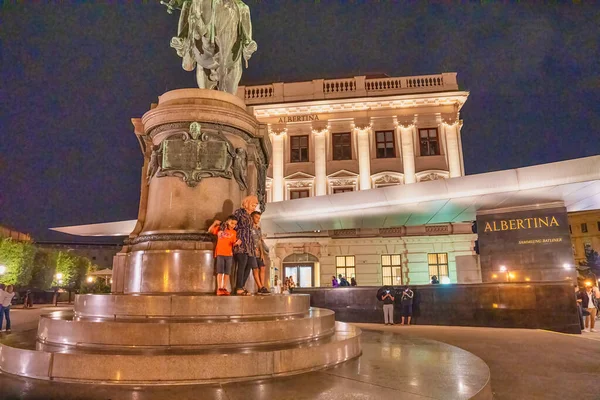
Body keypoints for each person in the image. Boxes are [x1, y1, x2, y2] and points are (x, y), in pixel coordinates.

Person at [208, 215, 242, 296]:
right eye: (232, 223)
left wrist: (236, 243)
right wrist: (214, 223)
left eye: (235, 224)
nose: (233, 225)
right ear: (227, 222)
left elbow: (233, 243)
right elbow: (210, 230)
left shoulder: (234, 232)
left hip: (229, 254)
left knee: (227, 272)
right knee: (220, 272)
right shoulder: (221, 229)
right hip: (220, 253)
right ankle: (219, 288)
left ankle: (224, 287)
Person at [233, 196, 259, 296]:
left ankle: (242, 285)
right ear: (247, 203)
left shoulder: (250, 215)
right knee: (242, 265)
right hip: (241, 242)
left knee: (249, 265)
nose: (254, 207)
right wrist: (235, 238)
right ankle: (239, 287)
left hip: (249, 243)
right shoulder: (239, 212)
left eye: (255, 206)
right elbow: (234, 224)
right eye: (253, 205)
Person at [250, 211, 269, 294]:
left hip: (258, 252)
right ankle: (259, 286)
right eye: (256, 217)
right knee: (255, 269)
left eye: (259, 218)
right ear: (252, 217)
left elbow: (260, 242)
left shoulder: (258, 229)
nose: (258, 219)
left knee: (263, 268)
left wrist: (262, 254)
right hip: (251, 252)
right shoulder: (249, 228)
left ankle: (263, 286)